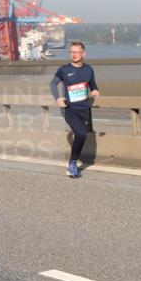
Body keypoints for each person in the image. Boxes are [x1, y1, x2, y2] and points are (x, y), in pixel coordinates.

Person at [50, 41, 99, 178]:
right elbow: (53, 84)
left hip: (84, 109)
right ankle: (72, 164)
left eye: (77, 52)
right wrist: (58, 98)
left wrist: (95, 90)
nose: (74, 54)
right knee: (82, 133)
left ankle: (72, 162)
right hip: (69, 109)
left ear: (84, 53)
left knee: (81, 135)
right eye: (72, 52)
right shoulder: (64, 70)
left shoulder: (89, 69)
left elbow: (93, 85)